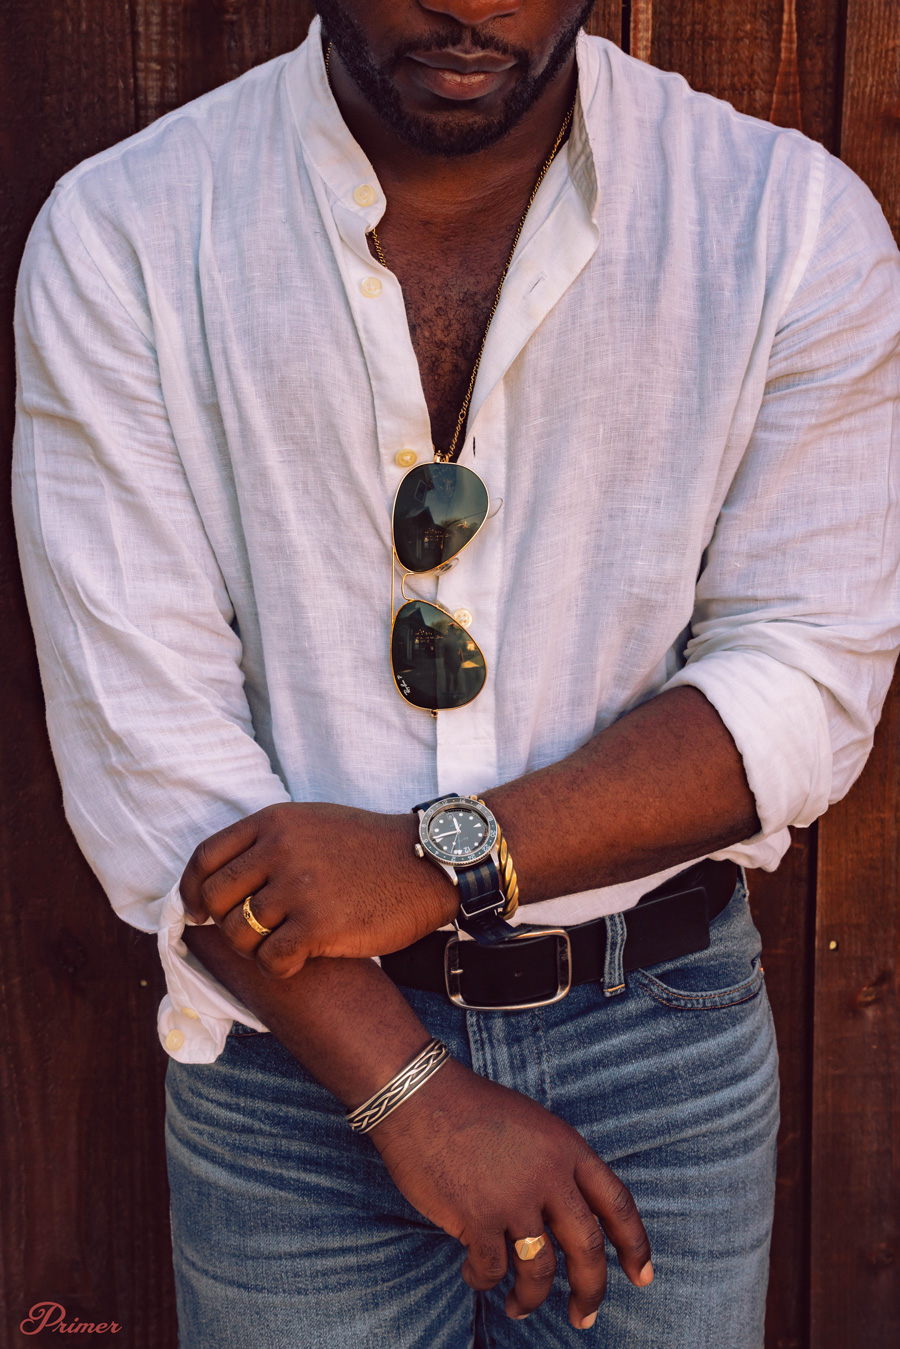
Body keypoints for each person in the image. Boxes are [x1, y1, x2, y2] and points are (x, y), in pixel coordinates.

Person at [12, 2, 900, 1346]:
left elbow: (810, 670)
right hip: (289, 1062)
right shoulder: (129, 232)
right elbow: (150, 753)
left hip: (659, 1042)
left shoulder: (783, 225)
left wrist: (440, 859)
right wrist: (408, 1092)